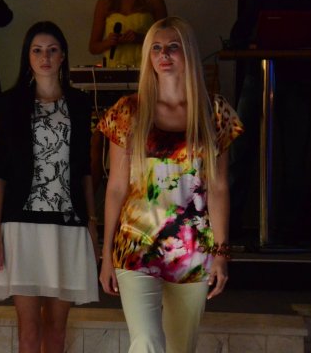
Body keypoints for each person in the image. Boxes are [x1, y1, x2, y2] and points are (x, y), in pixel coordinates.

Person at [98, 17, 243, 353]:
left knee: (180, 348)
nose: (163, 55)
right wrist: (105, 254)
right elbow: (116, 187)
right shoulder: (128, 111)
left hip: (192, 248)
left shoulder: (214, 112)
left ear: (188, 52)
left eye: (172, 47)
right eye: (156, 48)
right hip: (135, 245)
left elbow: (219, 188)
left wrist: (221, 254)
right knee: (147, 342)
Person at [0, 21, 100, 353]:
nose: (45, 57)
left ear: (62, 56)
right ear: (28, 57)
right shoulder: (9, 103)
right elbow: (0, 172)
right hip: (21, 226)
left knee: (57, 331)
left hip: (67, 225)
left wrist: (92, 222)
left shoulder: (79, 103)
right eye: (37, 51)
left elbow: (84, 170)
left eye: (52, 50)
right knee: (29, 331)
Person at [229, 0, 311, 243]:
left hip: (298, 81)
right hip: (259, 78)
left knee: (294, 158)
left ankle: (288, 232)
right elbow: (239, 31)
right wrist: (251, 44)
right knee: (241, 151)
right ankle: (230, 227)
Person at [88, 0, 167, 195]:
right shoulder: (106, 3)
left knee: (141, 138)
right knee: (99, 138)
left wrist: (143, 38)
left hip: (143, 78)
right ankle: (91, 203)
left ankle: (141, 195)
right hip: (112, 77)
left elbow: (167, 39)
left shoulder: (152, 0)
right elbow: (93, 46)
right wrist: (110, 41)